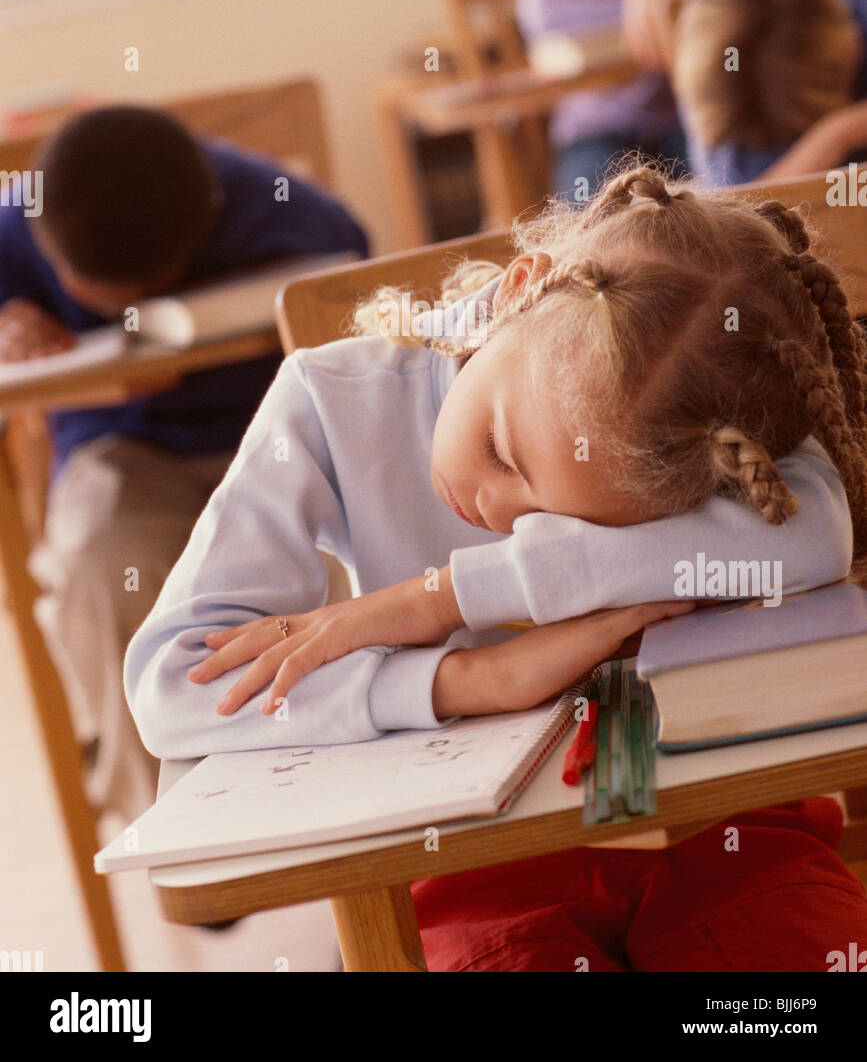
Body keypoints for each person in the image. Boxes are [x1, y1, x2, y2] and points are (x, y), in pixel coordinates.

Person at [126, 163, 867, 970]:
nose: (499, 514)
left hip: (727, 833)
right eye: (498, 451)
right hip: (467, 867)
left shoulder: (703, 398)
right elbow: (174, 685)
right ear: (519, 289)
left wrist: (441, 597)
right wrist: (465, 679)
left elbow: (813, 535)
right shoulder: (333, 402)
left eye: (567, 524)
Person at [0, 104, 369, 823]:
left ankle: (349, 794)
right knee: (103, 565)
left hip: (273, 440)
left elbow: (357, 298)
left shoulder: (285, 213)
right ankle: (174, 813)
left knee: (360, 557)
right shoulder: (20, 223)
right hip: (126, 451)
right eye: (102, 301)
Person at [515, 0, 722, 200]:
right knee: (593, 215)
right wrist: (641, 2)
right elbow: (545, 25)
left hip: (678, 122)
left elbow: (705, 2)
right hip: (596, 132)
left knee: (718, 196)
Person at [673, 0, 867, 185]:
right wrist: (838, 134)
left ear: (856, 49)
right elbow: (744, 201)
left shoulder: (853, 13)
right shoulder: (719, 94)